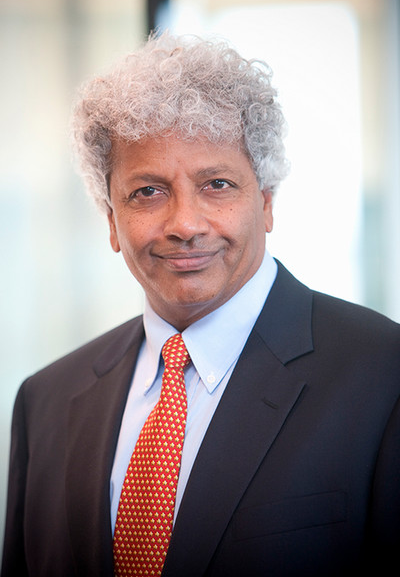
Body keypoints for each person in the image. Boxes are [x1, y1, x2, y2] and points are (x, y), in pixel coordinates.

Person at [2, 32, 399, 577]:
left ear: (265, 203)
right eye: (148, 191)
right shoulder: (43, 402)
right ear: (111, 222)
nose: (185, 225)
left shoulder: (384, 375)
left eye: (216, 184)